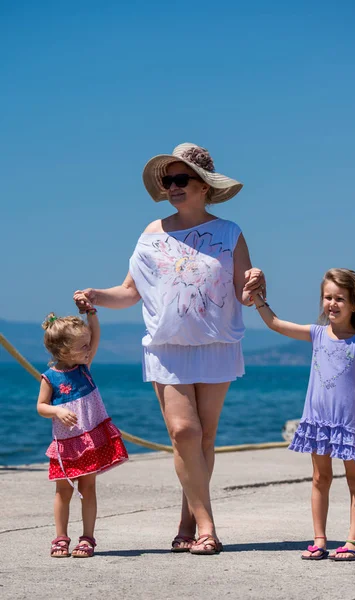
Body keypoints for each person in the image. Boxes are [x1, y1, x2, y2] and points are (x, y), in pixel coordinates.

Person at [73, 142, 265, 555]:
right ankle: (209, 526)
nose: (172, 187)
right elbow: (129, 291)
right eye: (168, 180)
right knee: (183, 432)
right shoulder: (151, 233)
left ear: (204, 186)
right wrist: (95, 295)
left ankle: (187, 521)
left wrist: (253, 286)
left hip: (216, 344)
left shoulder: (229, 232)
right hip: (166, 347)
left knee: (204, 439)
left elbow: (242, 293)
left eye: (182, 179)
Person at [251, 268, 355, 561]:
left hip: (349, 425)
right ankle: (319, 539)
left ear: (353, 304)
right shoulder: (317, 334)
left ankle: (352, 541)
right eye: (328, 297)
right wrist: (258, 299)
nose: (332, 304)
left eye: (340, 298)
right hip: (318, 422)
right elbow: (275, 324)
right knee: (320, 478)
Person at [37, 305, 128, 558]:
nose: (89, 349)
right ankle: (60, 537)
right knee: (63, 491)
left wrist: (91, 314)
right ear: (65, 350)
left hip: (89, 439)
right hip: (66, 443)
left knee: (88, 488)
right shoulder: (49, 378)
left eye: (88, 346)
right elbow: (41, 406)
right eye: (83, 346)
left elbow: (95, 336)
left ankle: (87, 537)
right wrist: (57, 411)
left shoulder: (84, 367)